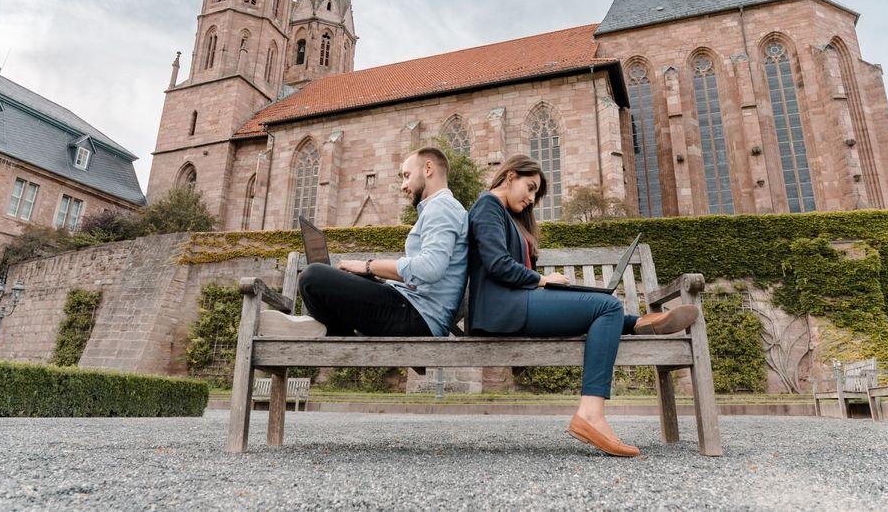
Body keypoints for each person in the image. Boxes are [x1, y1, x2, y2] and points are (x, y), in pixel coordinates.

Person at [466, 155, 699, 457]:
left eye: (536, 193)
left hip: (515, 305)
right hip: (502, 309)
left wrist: (544, 282)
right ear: (510, 176)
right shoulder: (487, 206)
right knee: (607, 308)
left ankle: (640, 324)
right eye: (530, 187)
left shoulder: (506, 215)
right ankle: (591, 413)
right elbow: (497, 265)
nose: (532, 199)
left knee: (604, 308)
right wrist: (543, 280)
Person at [260, 146, 469, 338]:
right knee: (334, 276)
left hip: (417, 317)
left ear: (428, 168)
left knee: (311, 276)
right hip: (412, 308)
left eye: (407, 176)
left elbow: (431, 268)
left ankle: (327, 332)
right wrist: (371, 275)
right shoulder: (440, 208)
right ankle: (322, 329)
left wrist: (368, 265)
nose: (404, 185)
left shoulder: (441, 207)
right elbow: (425, 274)